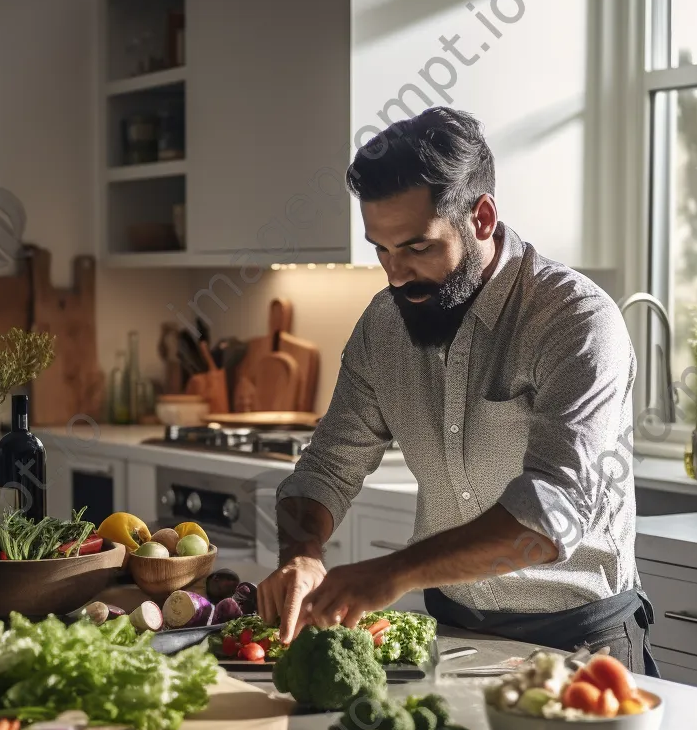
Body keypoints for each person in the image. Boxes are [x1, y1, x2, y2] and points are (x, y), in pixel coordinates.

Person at [258, 106, 657, 676]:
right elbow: (325, 467)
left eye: (417, 248)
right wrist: (302, 554)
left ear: (483, 216)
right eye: (381, 249)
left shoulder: (575, 320)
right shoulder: (383, 325)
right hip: (447, 633)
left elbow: (551, 516)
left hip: (579, 647)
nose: (395, 275)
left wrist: (391, 572)